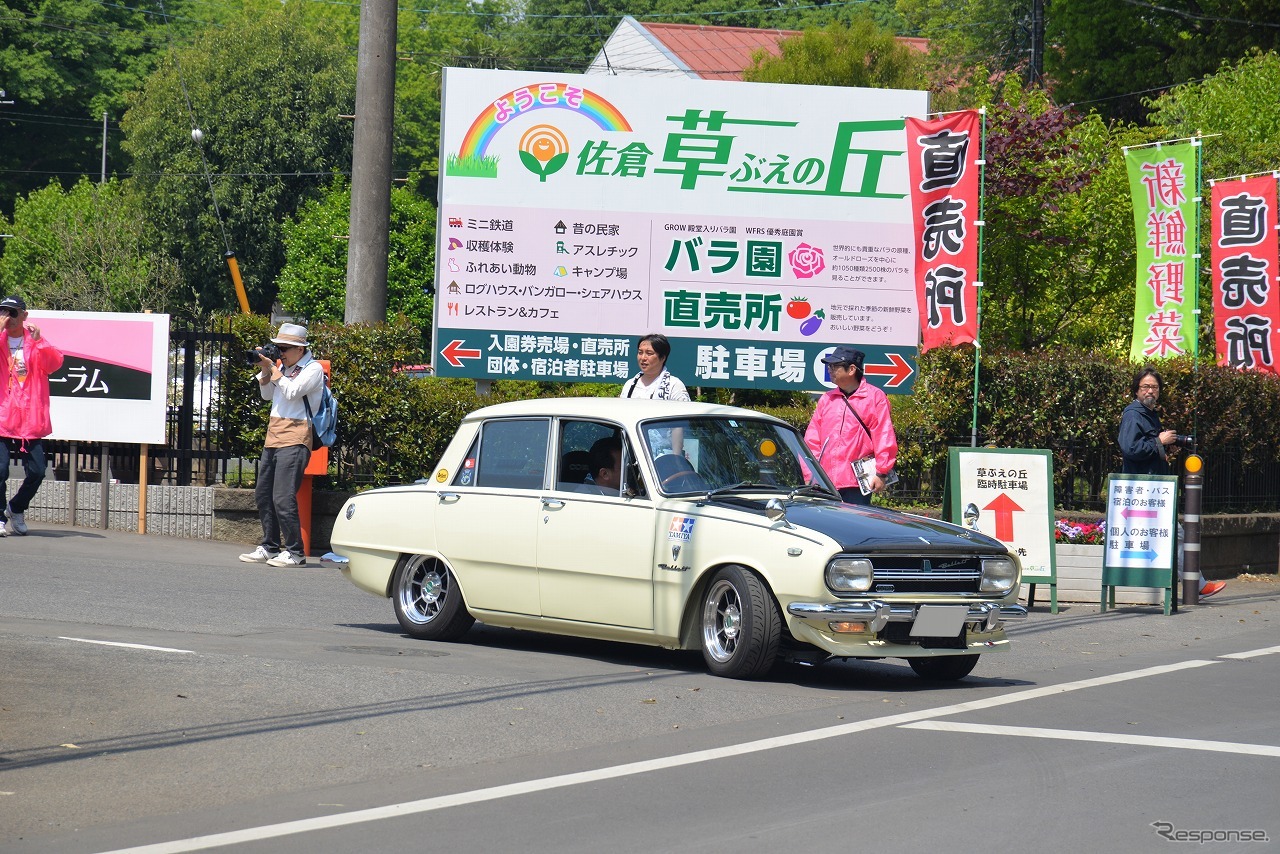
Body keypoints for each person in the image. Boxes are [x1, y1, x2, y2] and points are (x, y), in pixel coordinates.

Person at [1118, 367, 1225, 597]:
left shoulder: (1148, 414)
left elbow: (1141, 447)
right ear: (1136, 390)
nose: (1150, 391)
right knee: (1175, 535)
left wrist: (1160, 449)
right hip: (1144, 488)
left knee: (1172, 535)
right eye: (1145, 387)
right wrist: (1159, 441)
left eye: (1154, 387)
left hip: (1153, 486)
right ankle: (1195, 584)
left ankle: (1190, 584)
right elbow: (1129, 448)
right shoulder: (1133, 414)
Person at [238, 323, 325, 568]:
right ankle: (270, 546)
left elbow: (291, 392)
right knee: (263, 494)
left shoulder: (312, 369)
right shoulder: (282, 367)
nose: (280, 352)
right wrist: (267, 369)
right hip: (274, 434)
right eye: (278, 347)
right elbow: (267, 395)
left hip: (297, 436)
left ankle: (296, 552)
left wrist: (275, 370)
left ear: (300, 349)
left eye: (284, 348)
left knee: (283, 496)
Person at [0, 295, 64, 536]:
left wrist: (39, 341)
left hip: (29, 419)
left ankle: (15, 508)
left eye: (12, 312)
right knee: (0, 469)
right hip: (3, 416)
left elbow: (55, 363)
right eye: (3, 311)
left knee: (37, 471)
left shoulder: (35, 342)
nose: (7, 317)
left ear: (24, 315)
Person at [804, 346, 897, 506]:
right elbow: (812, 440)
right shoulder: (827, 399)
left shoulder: (875, 397)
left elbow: (883, 436)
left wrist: (881, 472)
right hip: (824, 482)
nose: (830, 370)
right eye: (829, 367)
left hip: (857, 483)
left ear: (852, 369)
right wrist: (810, 474)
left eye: (834, 366)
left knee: (853, 527)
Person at [620, 333, 690, 401]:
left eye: (649, 353)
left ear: (662, 357)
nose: (643, 358)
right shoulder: (629, 384)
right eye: (640, 352)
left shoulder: (674, 385)